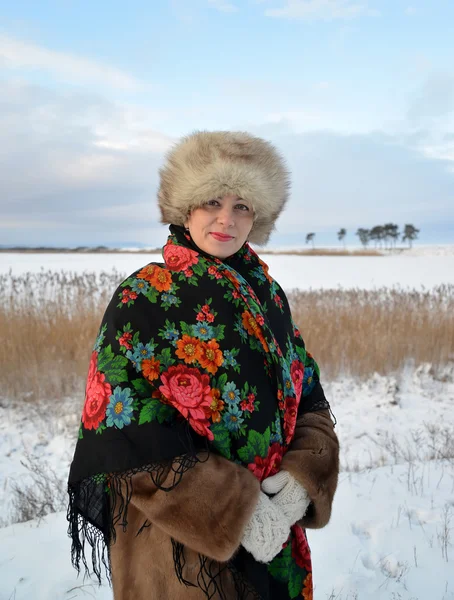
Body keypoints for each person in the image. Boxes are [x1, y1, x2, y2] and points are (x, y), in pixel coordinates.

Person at [67, 130, 339, 600]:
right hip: (179, 558)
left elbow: (308, 394)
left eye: (243, 206)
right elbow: (125, 436)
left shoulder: (268, 296)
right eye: (212, 200)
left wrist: (302, 478)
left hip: (276, 541)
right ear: (184, 207)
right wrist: (236, 510)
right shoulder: (145, 297)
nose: (225, 220)